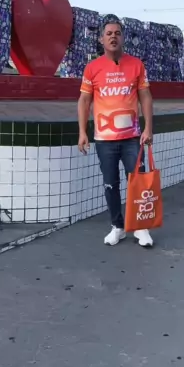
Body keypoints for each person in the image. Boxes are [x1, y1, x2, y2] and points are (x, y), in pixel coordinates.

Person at [78, 15, 154, 248]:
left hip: (133, 139)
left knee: (138, 182)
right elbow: (84, 100)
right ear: (101, 39)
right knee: (110, 184)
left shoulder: (136, 65)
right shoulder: (92, 68)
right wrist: (82, 132)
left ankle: (140, 227)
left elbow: (145, 96)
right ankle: (117, 227)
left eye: (117, 33)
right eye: (109, 33)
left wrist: (148, 128)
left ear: (123, 38)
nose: (113, 37)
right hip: (104, 140)